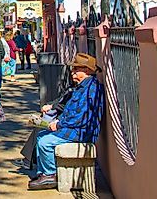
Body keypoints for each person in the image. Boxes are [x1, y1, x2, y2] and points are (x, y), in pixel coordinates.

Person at [28, 53, 104, 191]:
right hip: (74, 128)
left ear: (86, 70)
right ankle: (43, 173)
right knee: (41, 136)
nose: (73, 72)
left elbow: (80, 117)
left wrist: (58, 124)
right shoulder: (81, 87)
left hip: (81, 132)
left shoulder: (91, 90)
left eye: (76, 69)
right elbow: (70, 111)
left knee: (45, 142)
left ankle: (50, 174)